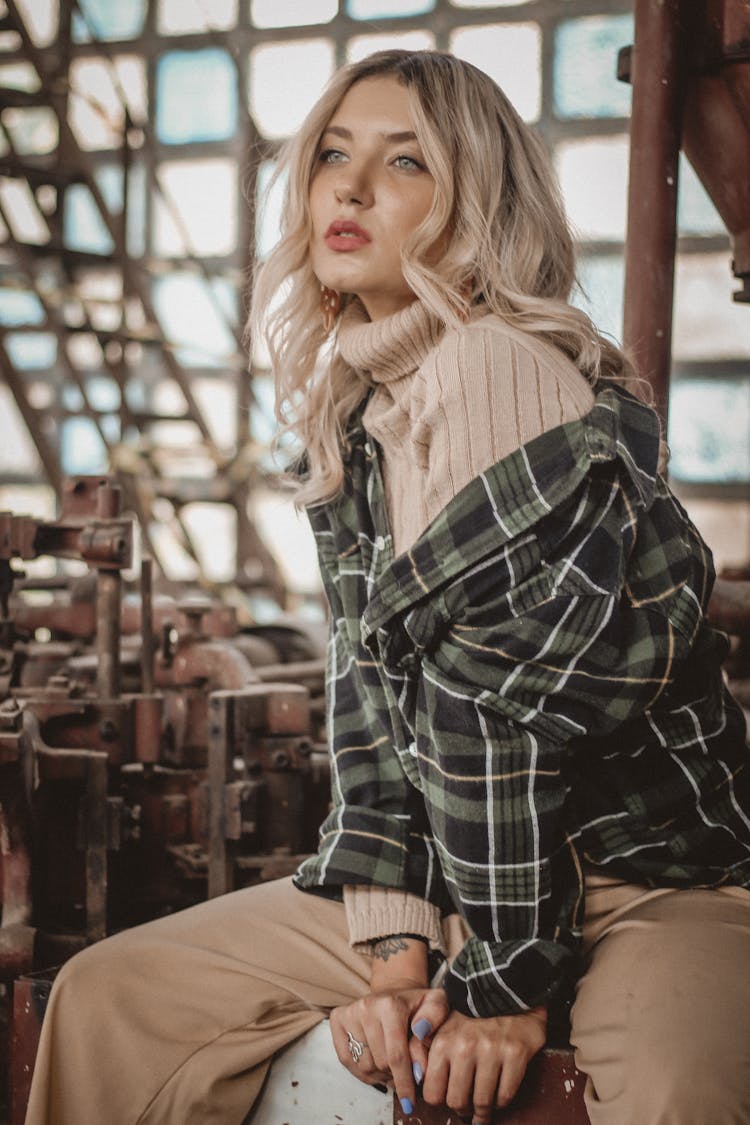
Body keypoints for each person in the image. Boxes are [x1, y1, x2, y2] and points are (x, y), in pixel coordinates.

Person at [25, 49, 750, 1125]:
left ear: (478, 207)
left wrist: (505, 988)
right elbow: (372, 716)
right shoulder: (363, 406)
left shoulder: (493, 367)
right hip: (477, 875)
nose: (350, 189)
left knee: (678, 1094)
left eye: (404, 161)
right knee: (110, 1000)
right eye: (331, 156)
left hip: (644, 881)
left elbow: (495, 714)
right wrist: (396, 954)